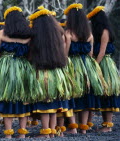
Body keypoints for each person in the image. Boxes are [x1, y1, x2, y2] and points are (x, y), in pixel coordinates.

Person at [0, 6, 42, 139]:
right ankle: (22, 133)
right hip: (24, 67)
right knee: (23, 98)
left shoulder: (1, 33)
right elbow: (30, 55)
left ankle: (8, 134)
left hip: (5, 67)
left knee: (7, 98)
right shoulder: (29, 35)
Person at [29, 7, 74, 138]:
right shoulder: (58, 32)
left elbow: (30, 53)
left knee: (44, 101)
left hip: (41, 71)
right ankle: (52, 131)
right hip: (57, 71)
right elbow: (65, 48)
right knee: (54, 102)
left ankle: (45, 131)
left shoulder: (35, 33)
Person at [65, 3, 107, 134]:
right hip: (87, 66)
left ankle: (73, 128)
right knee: (85, 94)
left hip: (73, 66)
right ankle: (83, 127)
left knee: (72, 93)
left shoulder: (68, 33)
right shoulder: (89, 34)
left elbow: (65, 53)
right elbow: (90, 53)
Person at [88, 6, 120, 132]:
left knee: (108, 92)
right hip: (99, 63)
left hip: (105, 64)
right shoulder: (98, 32)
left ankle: (108, 125)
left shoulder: (105, 32)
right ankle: (105, 124)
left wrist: (95, 65)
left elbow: (101, 52)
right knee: (102, 94)